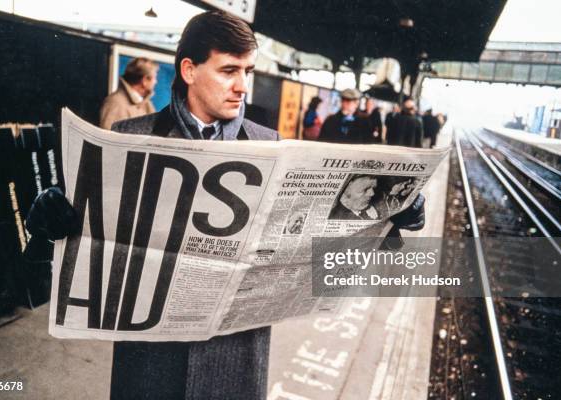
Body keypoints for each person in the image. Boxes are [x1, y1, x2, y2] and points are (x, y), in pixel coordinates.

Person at [25, 10, 426, 400]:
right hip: (150, 364)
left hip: (234, 362)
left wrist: (393, 216)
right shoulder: (131, 135)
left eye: (247, 72)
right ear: (188, 70)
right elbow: (81, 246)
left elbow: (322, 243)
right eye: (228, 70)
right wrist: (49, 218)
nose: (242, 87)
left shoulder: (270, 144)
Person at [99, 57, 158, 130]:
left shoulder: (146, 104)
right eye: (154, 78)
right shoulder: (115, 103)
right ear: (144, 80)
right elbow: (108, 138)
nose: (156, 82)